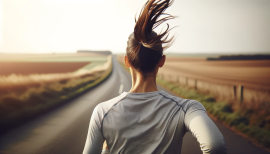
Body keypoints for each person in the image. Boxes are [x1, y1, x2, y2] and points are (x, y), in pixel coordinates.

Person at [82, 0, 227, 153]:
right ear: (161, 61)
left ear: (127, 61)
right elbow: (215, 146)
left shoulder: (103, 112)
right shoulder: (187, 108)